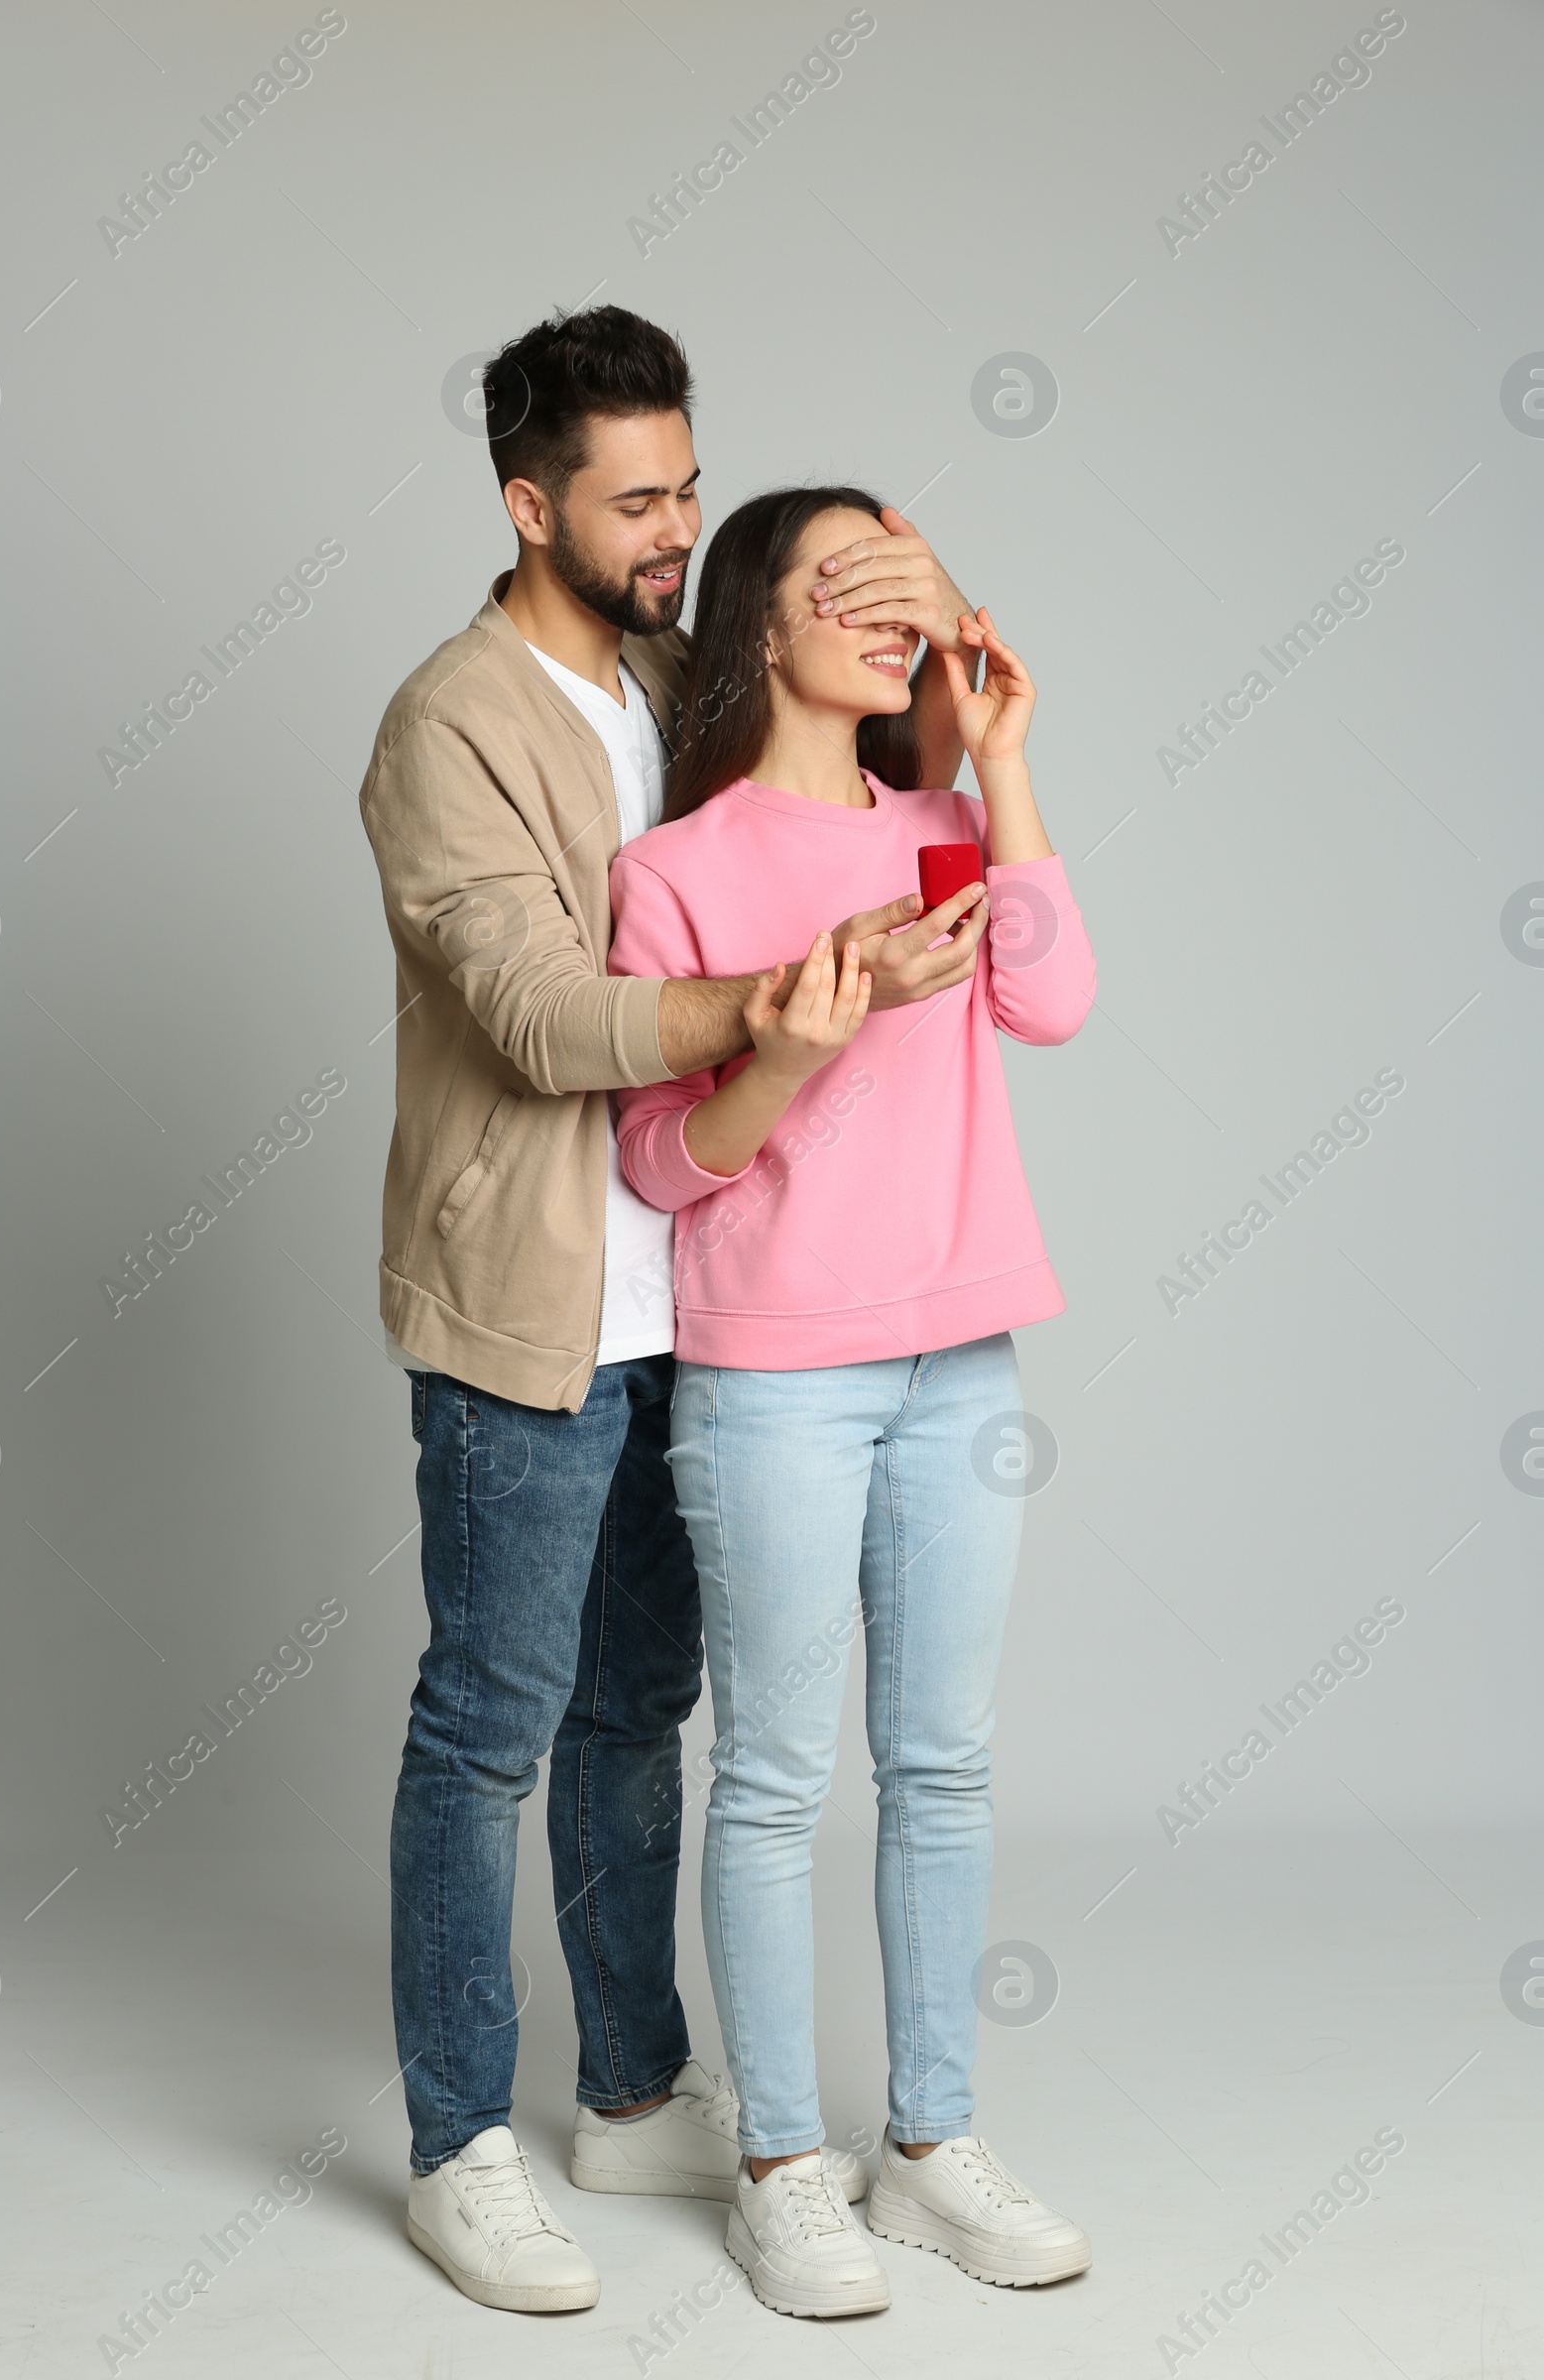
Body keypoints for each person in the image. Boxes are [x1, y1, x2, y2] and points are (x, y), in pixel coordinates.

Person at [357, 307, 995, 2314]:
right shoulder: (446, 725)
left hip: (712, 1311)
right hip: (534, 1312)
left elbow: (889, 725)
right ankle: (460, 2137)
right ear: (523, 502)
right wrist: (797, 997)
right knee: (487, 1729)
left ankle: (635, 2085)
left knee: (646, 1713)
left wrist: (932, 606)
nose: (671, 525)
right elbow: (547, 1013)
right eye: (635, 499)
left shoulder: (675, 681)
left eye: (689, 488)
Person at [606, 485, 1097, 2319]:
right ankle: (781, 2168)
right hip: (777, 1383)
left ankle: (930, 2149)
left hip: (961, 1352)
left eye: (901, 596)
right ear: (757, 626)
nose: (883, 623)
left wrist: (1008, 758)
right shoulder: (679, 872)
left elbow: (1055, 1003)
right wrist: (794, 1044)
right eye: (844, 590)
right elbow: (664, 1169)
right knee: (779, 1779)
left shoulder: (946, 827)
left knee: (947, 1765)